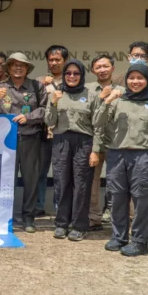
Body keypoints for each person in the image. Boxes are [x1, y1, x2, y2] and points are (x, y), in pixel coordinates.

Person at [0, 52, 47, 233]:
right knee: (5, 180)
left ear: (27, 68)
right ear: (8, 68)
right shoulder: (0, 87)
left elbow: (44, 110)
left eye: (22, 65)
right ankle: (5, 216)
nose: (18, 68)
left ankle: (28, 218)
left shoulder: (36, 86)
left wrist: (28, 117)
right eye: (14, 65)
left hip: (30, 138)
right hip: (6, 141)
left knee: (30, 179)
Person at [93, 64, 148, 257]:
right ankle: (118, 237)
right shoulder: (118, 100)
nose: (135, 82)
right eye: (131, 78)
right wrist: (107, 101)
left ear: (147, 80)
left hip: (143, 155)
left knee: (141, 199)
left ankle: (140, 241)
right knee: (117, 196)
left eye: (140, 78)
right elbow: (98, 123)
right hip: (117, 154)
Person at [45, 60, 99, 241]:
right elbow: (49, 121)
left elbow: (98, 126)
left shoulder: (90, 95)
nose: (72, 76)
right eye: (68, 73)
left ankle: (79, 225)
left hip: (84, 142)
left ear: (82, 75)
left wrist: (96, 150)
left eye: (76, 73)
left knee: (81, 185)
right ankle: (61, 223)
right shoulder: (57, 93)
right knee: (61, 183)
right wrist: (53, 102)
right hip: (61, 141)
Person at [87, 54, 120, 229]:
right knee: (92, 181)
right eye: (98, 67)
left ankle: (119, 218)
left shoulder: (122, 90)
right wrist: (102, 98)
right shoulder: (87, 89)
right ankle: (93, 217)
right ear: (93, 70)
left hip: (115, 143)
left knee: (116, 181)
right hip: (92, 143)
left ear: (112, 68)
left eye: (105, 66)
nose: (102, 70)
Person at [35, 45, 68, 216]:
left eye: (57, 60)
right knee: (40, 171)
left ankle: (59, 207)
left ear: (65, 61)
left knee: (60, 173)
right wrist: (40, 86)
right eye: (51, 59)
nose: (53, 63)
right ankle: (39, 206)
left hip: (63, 133)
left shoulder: (71, 80)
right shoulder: (38, 80)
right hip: (42, 133)